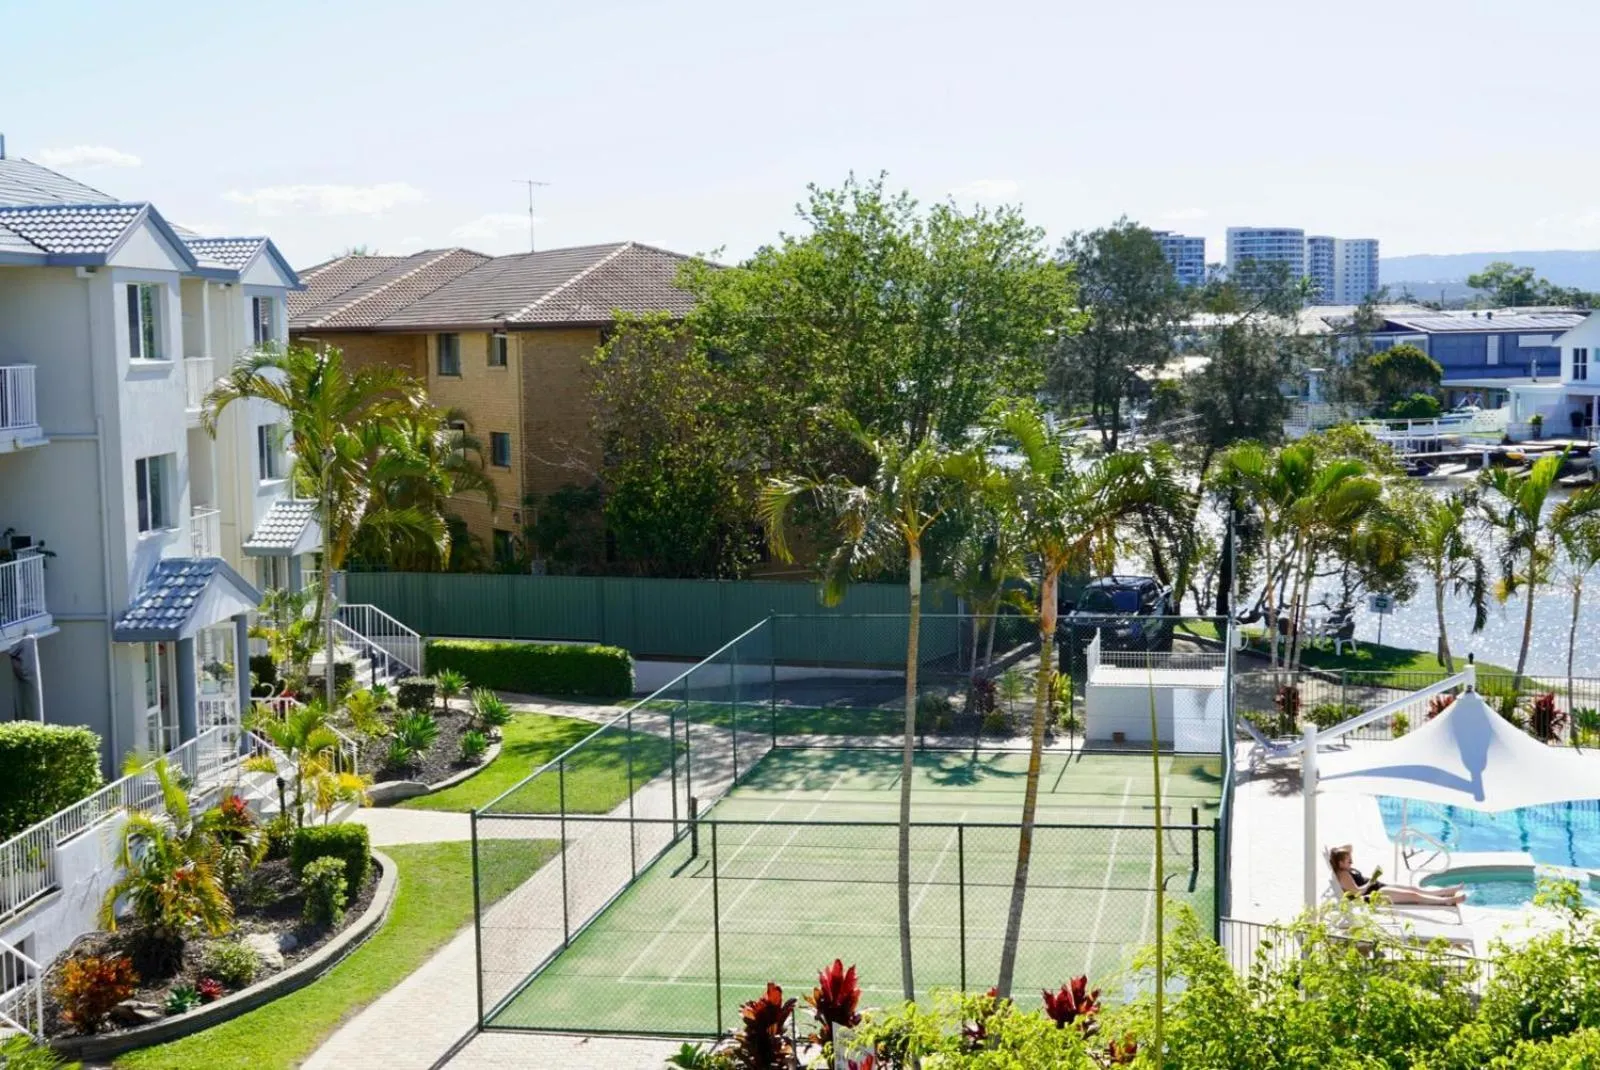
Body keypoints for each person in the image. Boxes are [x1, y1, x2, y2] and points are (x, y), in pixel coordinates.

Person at [1328, 845, 1465, 906]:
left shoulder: (1344, 868)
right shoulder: (1343, 875)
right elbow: (1357, 893)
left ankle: (1445, 892)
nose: (1352, 861)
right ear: (1340, 864)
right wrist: (1372, 881)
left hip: (1376, 887)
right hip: (1374, 894)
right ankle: (1445, 901)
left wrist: (1336, 852)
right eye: (1348, 860)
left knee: (1413, 889)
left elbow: (1349, 846)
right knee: (1413, 896)